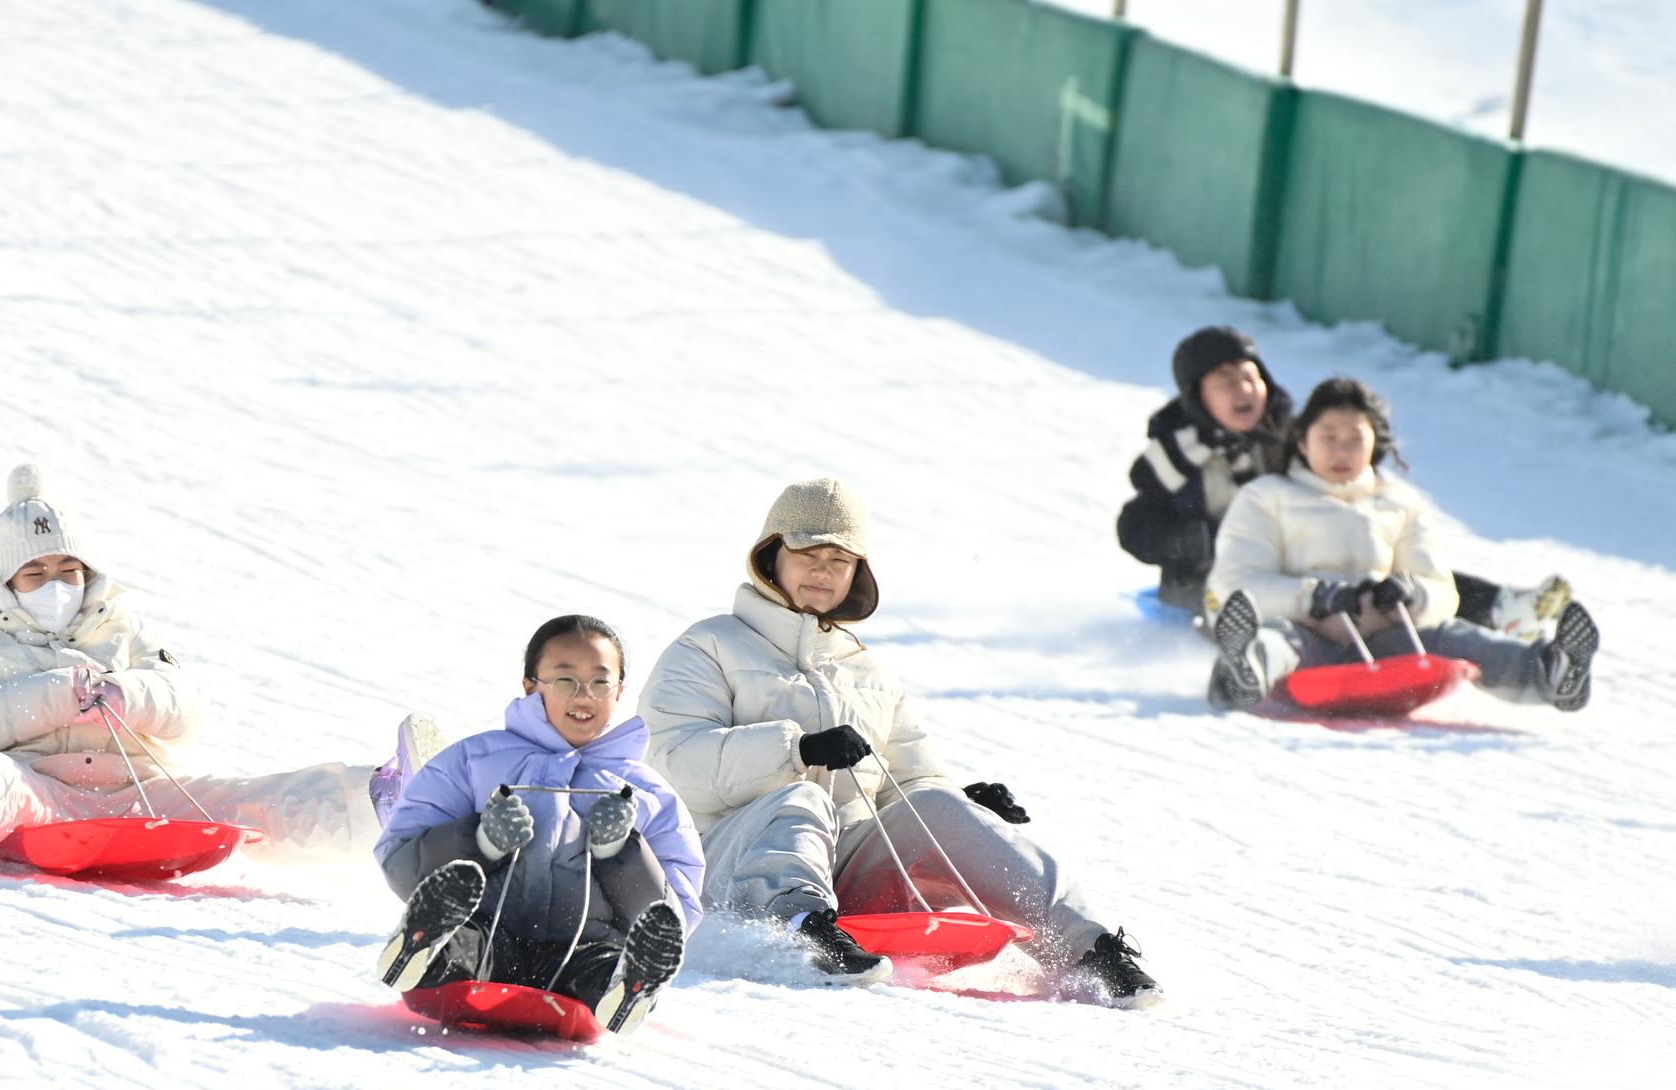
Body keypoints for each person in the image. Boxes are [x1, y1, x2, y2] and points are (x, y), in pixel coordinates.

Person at [638, 478, 1158, 1006]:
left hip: (843, 871)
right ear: (772, 557)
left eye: (839, 559)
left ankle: (1089, 952)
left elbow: (911, 778)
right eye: (807, 553)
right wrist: (797, 751)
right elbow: (677, 765)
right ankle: (799, 929)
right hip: (733, 862)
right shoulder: (707, 646)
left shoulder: (868, 670)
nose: (823, 570)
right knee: (803, 796)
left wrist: (964, 804)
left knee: (937, 806)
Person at [0, 463, 390, 859]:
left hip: (143, 790)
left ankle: (386, 799)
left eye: (67, 568)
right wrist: (53, 695)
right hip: (41, 789)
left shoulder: (127, 629)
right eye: (35, 573)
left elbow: (186, 711)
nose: (55, 584)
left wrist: (129, 695)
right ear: (7, 583)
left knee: (246, 801)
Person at [1118, 325, 1570, 636]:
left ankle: (1501, 609)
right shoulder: (1175, 456)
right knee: (1246, 594)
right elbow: (1135, 526)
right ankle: (1248, 654)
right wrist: (1188, 540)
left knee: (1394, 572)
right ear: (1197, 396)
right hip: (1215, 575)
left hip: (1303, 561)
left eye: (1249, 378)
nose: (1243, 391)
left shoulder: (1296, 437)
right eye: (1225, 382)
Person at [372, 616, 703, 1035]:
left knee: (600, 966)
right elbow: (398, 855)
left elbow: (677, 914)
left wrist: (620, 853)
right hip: (488, 934)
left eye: (600, 682)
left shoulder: (648, 794)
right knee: (463, 947)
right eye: (565, 680)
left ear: (620, 691)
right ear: (531, 686)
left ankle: (628, 987)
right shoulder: (473, 761)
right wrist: (481, 841)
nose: (584, 696)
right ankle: (422, 949)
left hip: (585, 945)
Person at [1204, 378, 1601, 713]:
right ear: (1303, 443)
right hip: (1307, 635)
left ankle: (1551, 672)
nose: (1341, 451)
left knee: (1455, 636)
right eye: (1328, 437)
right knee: (1276, 639)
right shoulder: (1266, 496)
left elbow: (1442, 589)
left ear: (1375, 445)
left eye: (1355, 439)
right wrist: (1310, 598)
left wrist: (1413, 594)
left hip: (1383, 643)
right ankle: (1243, 673)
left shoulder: (1400, 502)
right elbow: (1235, 584)